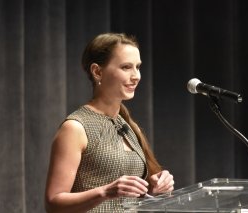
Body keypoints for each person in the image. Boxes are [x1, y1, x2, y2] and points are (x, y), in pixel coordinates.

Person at [45, 32, 175, 212]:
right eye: (126, 67)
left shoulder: (128, 126)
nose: (136, 75)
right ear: (97, 71)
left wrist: (152, 189)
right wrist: (105, 192)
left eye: (138, 67)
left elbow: (127, 200)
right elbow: (53, 203)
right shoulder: (76, 128)